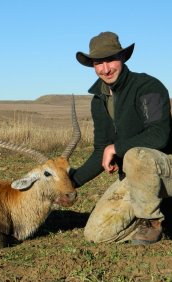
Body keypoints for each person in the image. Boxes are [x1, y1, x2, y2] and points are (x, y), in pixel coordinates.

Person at [70, 31, 172, 244]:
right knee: (96, 234)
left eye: (110, 60)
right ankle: (161, 213)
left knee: (136, 155)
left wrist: (116, 148)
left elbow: (159, 135)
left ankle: (151, 222)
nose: (105, 69)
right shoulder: (99, 99)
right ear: (93, 65)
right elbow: (101, 150)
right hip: (136, 179)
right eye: (99, 62)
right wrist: (69, 182)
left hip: (165, 169)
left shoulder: (148, 87)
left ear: (123, 58)